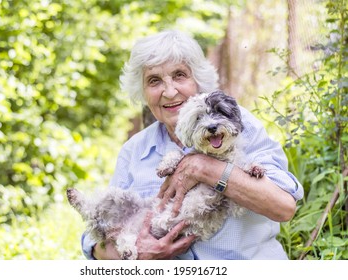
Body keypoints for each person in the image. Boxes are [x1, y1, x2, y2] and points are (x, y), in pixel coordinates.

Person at [81, 30, 304, 260]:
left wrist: (206, 168)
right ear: (143, 91)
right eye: (154, 81)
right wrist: (139, 257)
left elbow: (283, 207)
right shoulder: (135, 149)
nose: (169, 92)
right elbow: (95, 242)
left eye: (179, 75)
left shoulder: (237, 123)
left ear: (197, 80)